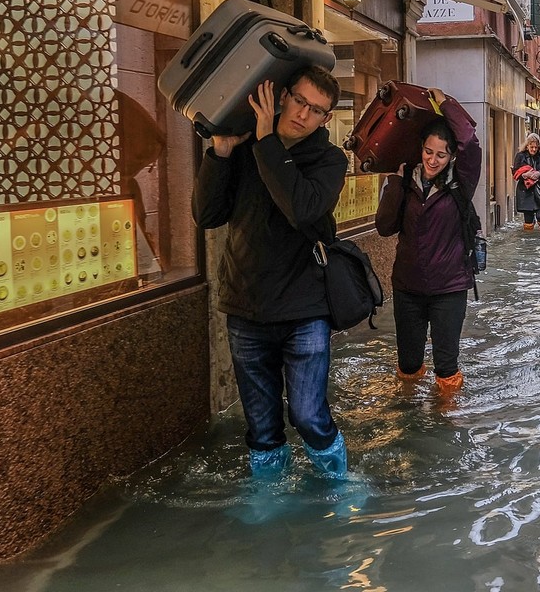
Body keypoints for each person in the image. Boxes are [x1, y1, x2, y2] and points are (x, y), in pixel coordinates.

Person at [193, 66, 349, 480]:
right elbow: (206, 215)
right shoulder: (245, 149)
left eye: (316, 110)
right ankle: (269, 502)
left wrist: (265, 142)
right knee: (261, 428)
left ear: (326, 119)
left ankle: (339, 485)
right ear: (283, 97)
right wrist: (221, 152)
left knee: (308, 416)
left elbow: (302, 208)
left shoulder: (330, 160)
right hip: (246, 307)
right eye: (299, 101)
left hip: (304, 310)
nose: (303, 114)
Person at [375, 88, 481, 395]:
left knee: (446, 366)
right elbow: (384, 227)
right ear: (420, 148)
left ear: (451, 157)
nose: (433, 160)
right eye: (428, 151)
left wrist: (446, 103)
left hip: (449, 288)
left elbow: (471, 143)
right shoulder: (404, 181)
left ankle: (444, 422)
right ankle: (409, 414)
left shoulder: (461, 182)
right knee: (408, 364)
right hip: (408, 288)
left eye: (441, 154)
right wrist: (394, 181)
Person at [513, 133, 540, 230]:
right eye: (532, 147)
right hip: (525, 190)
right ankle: (529, 238)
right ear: (527, 145)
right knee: (528, 219)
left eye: (536, 147)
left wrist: (539, 173)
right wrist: (524, 175)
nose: (534, 149)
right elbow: (515, 171)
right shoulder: (520, 156)